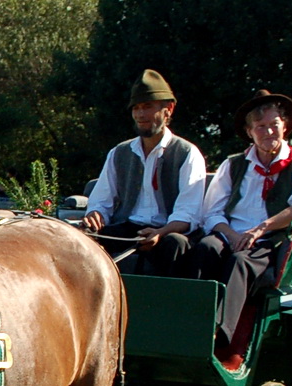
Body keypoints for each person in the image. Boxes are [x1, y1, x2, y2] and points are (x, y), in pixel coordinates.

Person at [194, 90, 292, 369]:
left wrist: (260, 228)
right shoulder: (234, 165)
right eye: (260, 127)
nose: (268, 132)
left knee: (241, 262)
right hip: (230, 233)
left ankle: (219, 335)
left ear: (285, 125)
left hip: (270, 239)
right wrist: (232, 235)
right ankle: (191, 320)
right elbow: (211, 212)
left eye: (274, 125)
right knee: (206, 248)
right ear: (249, 132)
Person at [81, 69, 207, 276]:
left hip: (168, 231)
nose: (140, 115)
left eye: (147, 107)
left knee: (175, 244)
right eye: (136, 108)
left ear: (169, 109)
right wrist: (95, 215)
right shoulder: (119, 153)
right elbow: (101, 201)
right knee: (83, 238)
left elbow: (188, 214)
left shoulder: (187, 153)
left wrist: (160, 232)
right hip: (128, 228)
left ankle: (166, 304)